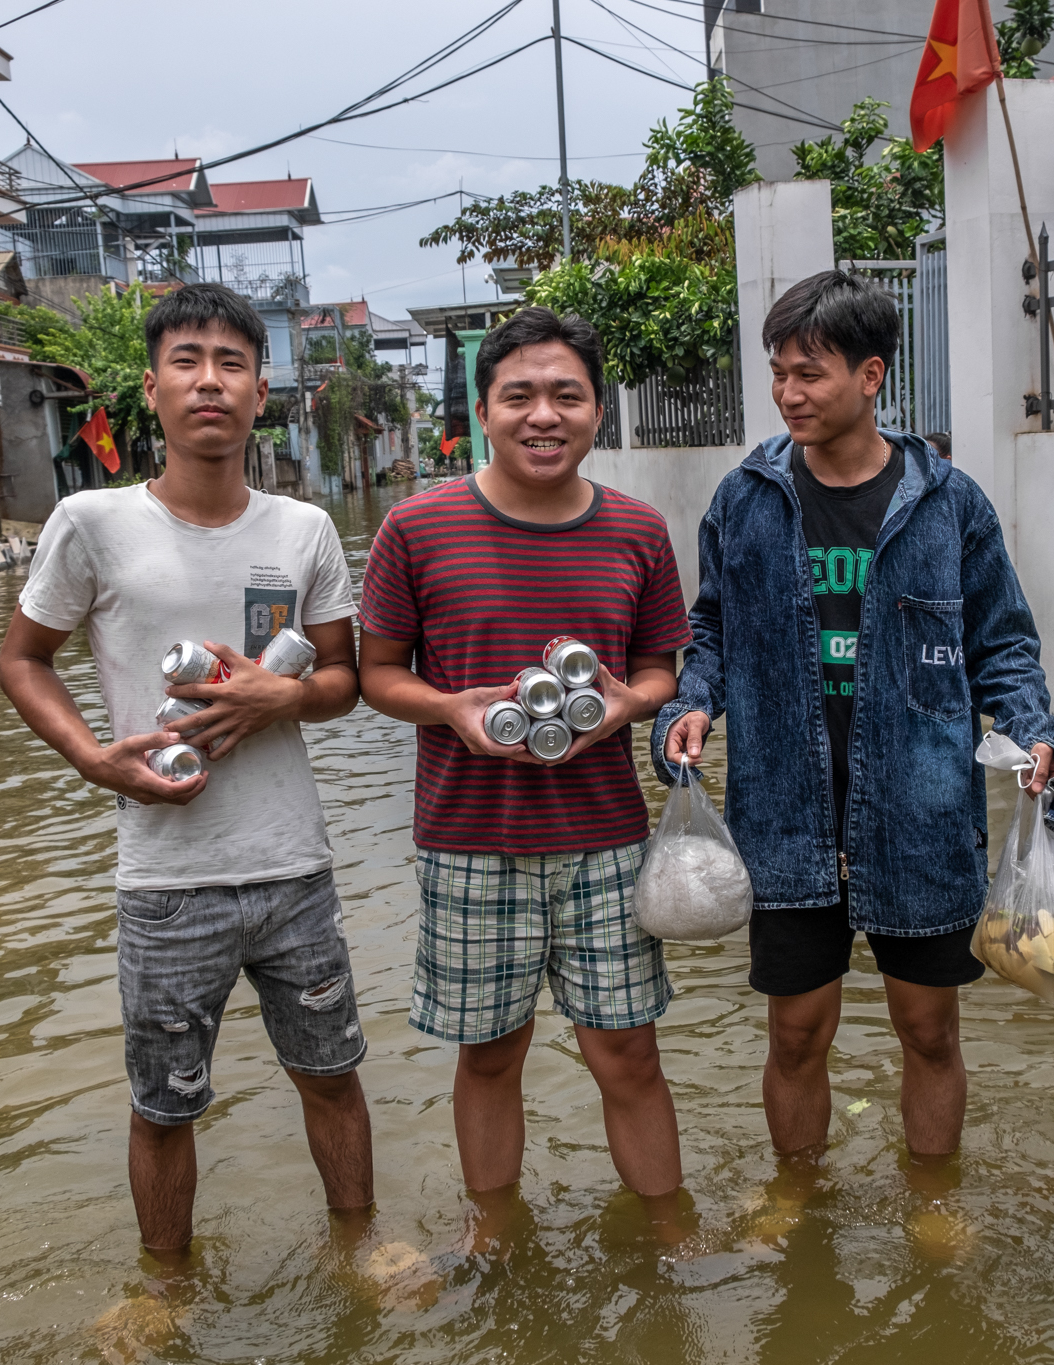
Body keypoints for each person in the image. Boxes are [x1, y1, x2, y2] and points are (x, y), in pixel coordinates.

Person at [656, 270, 1054, 1177]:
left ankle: (933, 1199)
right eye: (778, 372)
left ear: (870, 374)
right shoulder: (746, 499)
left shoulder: (949, 503)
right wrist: (692, 702)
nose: (788, 393)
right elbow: (713, 628)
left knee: (928, 1029)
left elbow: (1001, 643)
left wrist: (1033, 728)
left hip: (921, 817)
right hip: (785, 817)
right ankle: (799, 1194)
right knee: (794, 1033)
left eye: (809, 372)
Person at [0, 283, 373, 1261]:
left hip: (293, 868)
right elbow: (20, 659)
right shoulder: (91, 521)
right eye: (186, 361)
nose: (209, 380)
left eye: (232, 363)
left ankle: (362, 1249)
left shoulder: (304, 531)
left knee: (332, 1075)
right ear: (153, 391)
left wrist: (281, 696)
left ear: (259, 394)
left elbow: (342, 679)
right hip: (165, 878)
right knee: (163, 1106)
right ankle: (164, 1285)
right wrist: (90, 759)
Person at [357, 306, 691, 1240]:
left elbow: (664, 666)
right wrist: (455, 709)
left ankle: (669, 1229)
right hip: (471, 839)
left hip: (608, 837)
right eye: (520, 395)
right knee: (491, 1055)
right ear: (482, 408)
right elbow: (378, 674)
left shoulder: (638, 529)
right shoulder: (418, 528)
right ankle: (497, 1232)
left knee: (628, 1053)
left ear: (598, 409)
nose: (544, 414)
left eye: (567, 394)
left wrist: (626, 704)